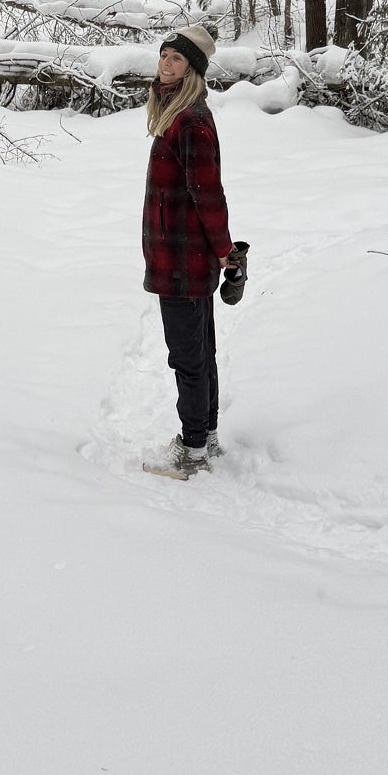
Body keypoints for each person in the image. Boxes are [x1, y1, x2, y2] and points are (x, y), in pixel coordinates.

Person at [141, 25, 233, 480]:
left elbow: (208, 193)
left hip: (183, 261)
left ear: (192, 70)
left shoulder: (191, 121)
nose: (165, 64)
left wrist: (224, 252)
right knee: (200, 351)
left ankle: (193, 448)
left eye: (176, 59)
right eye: (163, 56)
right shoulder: (178, 115)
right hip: (179, 257)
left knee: (188, 357)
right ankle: (206, 434)